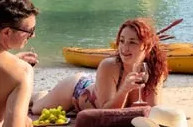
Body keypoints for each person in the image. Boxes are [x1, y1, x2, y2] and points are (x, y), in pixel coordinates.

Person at [32, 18, 168, 113]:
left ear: (147, 47)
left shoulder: (155, 71)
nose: (124, 48)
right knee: (36, 108)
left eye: (132, 42)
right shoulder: (109, 66)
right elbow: (106, 112)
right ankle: (38, 95)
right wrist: (125, 89)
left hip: (99, 85)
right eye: (122, 41)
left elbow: (153, 109)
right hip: (77, 88)